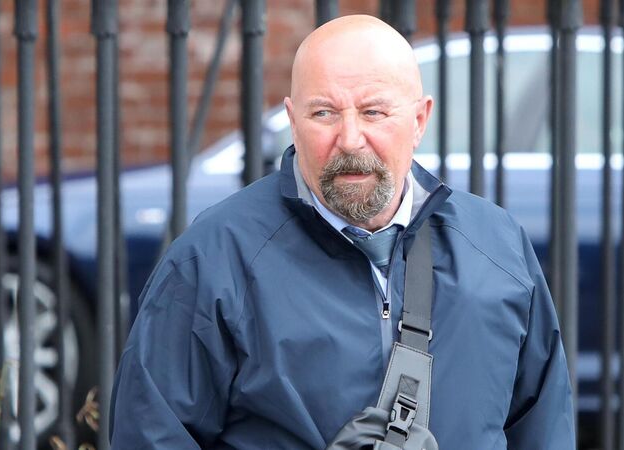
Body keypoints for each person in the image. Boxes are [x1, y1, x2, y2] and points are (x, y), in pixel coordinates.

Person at [110, 14, 575, 449]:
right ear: (293, 121)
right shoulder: (214, 258)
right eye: (324, 113)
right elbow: (151, 434)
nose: (350, 139)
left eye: (373, 112)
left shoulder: (497, 248)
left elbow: (545, 428)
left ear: (419, 120)